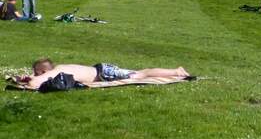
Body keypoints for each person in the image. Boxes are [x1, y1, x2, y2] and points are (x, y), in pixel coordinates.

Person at [16, 59, 191, 90]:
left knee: (140, 74)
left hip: (104, 73)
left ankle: (176, 71)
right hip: (102, 71)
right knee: (140, 73)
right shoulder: (59, 68)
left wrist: (29, 80)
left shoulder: (55, 72)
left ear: (44, 71)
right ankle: (175, 71)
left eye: (36, 72)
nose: (34, 74)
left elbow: (35, 83)